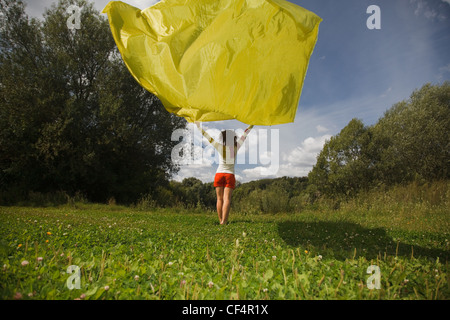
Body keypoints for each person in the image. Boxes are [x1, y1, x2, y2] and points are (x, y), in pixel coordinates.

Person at [195, 122, 254, 225]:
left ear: (224, 138)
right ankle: (224, 221)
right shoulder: (236, 147)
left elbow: (208, 137)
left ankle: (220, 220)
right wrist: (252, 124)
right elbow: (245, 134)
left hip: (219, 174)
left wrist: (199, 127)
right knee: (227, 199)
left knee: (219, 199)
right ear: (234, 138)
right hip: (229, 175)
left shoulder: (219, 146)